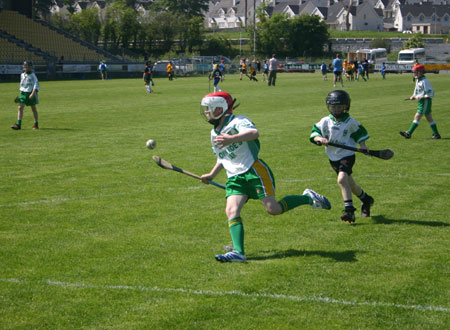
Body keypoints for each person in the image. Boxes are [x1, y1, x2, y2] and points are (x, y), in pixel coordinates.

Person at [200, 91, 331, 262]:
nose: (206, 113)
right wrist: (211, 174)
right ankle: (238, 253)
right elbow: (222, 157)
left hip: (254, 170)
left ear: (221, 108)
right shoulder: (213, 133)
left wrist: (232, 138)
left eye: (209, 109)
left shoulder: (239, 121)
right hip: (234, 177)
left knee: (273, 209)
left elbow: (254, 133)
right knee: (231, 211)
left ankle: (307, 198)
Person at [310, 90, 374, 223]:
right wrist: (319, 138)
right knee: (349, 183)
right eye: (333, 107)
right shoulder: (325, 121)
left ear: (346, 106)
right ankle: (366, 199)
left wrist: (363, 145)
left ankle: (349, 210)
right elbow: (314, 132)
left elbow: (360, 134)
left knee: (341, 179)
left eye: (339, 107)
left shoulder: (350, 122)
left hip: (347, 156)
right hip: (333, 157)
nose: (336, 110)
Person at [399, 64, 441, 140]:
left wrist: (422, 97)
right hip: (422, 102)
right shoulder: (418, 80)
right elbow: (416, 91)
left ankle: (409, 133)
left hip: (425, 101)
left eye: (415, 72)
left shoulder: (425, 81)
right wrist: (413, 96)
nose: (414, 73)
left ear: (420, 72)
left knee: (417, 116)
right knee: (429, 118)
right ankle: (437, 134)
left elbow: (431, 92)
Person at [11, 61, 40, 130]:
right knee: (20, 108)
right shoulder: (22, 75)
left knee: (33, 108)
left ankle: (36, 124)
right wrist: (21, 94)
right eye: (25, 66)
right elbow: (22, 84)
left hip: (30, 93)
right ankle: (18, 124)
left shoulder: (32, 75)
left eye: (28, 67)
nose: (26, 68)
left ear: (31, 67)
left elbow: (36, 84)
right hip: (23, 93)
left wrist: (33, 93)